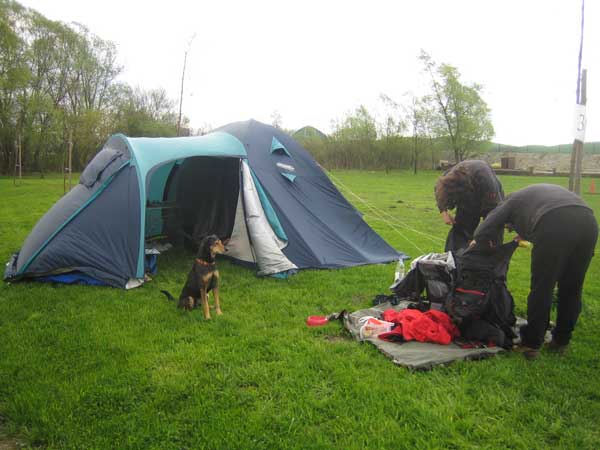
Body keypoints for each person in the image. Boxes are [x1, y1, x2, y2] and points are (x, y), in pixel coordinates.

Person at [472, 184, 598, 359]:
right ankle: (561, 340)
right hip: (588, 223)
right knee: (572, 287)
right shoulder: (530, 198)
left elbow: (486, 226)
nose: (511, 229)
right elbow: (531, 220)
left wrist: (476, 241)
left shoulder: (509, 202)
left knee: (542, 286)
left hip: (554, 222)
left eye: (510, 227)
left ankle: (531, 344)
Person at [434, 160, 504, 251]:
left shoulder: (486, 180)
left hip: (490, 200)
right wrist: (443, 211)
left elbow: (493, 213)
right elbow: (438, 188)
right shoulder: (449, 177)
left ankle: (492, 257)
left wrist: (481, 236)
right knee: (460, 231)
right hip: (468, 199)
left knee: (492, 237)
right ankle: (454, 257)